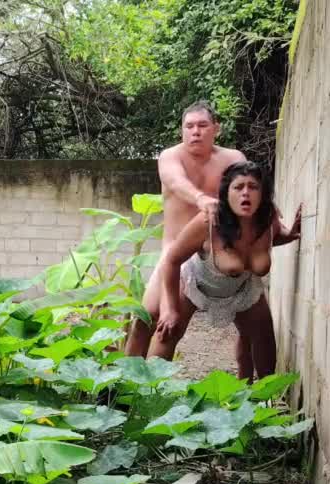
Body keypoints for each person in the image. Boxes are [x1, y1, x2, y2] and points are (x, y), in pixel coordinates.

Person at [125, 100, 297, 377]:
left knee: (253, 329)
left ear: (216, 129)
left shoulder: (232, 158)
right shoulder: (171, 156)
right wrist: (200, 198)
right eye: (189, 126)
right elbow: (175, 181)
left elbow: (251, 186)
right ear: (182, 130)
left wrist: (276, 221)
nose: (195, 131)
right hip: (178, 249)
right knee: (148, 317)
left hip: (221, 247)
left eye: (202, 125)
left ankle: (248, 385)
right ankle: (123, 385)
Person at [144, 161, 301, 379]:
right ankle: (146, 390)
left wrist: (290, 235)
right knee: (168, 331)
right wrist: (170, 309)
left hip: (243, 289)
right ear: (226, 193)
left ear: (263, 194)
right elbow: (172, 260)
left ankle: (264, 395)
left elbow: (273, 238)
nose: (245, 193)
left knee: (264, 337)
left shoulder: (267, 220)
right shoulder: (208, 222)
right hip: (196, 283)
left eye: (253, 187)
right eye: (238, 187)